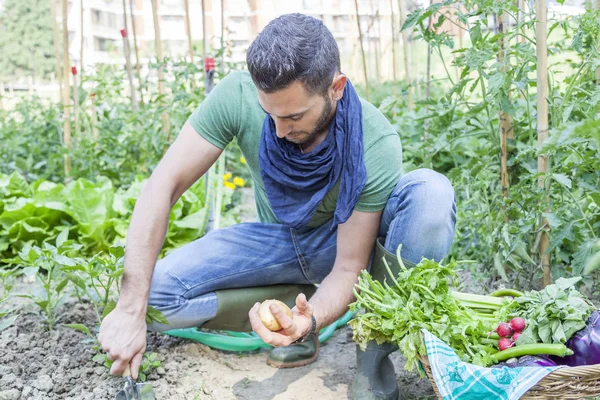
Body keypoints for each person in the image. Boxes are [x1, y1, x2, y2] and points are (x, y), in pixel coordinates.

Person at [98, 13, 456, 400]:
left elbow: (350, 265)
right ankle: (286, 304)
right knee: (153, 297)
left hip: (346, 246)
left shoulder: (373, 139)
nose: (280, 130)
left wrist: (309, 319)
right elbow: (161, 186)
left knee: (430, 193)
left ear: (336, 88)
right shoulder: (238, 95)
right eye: (270, 114)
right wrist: (130, 308)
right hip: (277, 242)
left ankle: (372, 361)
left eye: (294, 116)